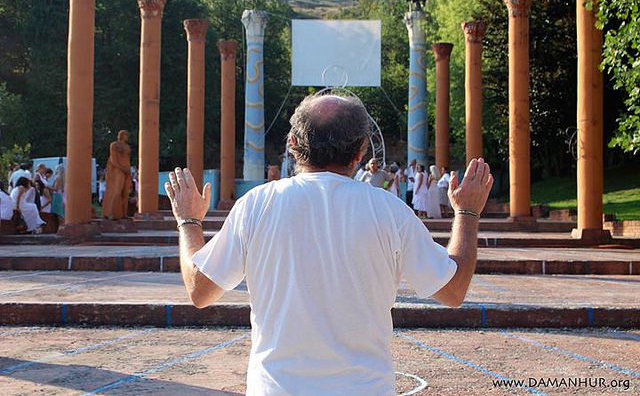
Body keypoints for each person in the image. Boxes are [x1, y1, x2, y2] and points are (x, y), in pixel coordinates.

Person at [165, 93, 493, 394]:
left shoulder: (257, 204)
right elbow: (452, 291)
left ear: (293, 143)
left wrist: (189, 221)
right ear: (362, 149)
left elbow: (200, 290)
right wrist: (466, 212)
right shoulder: (389, 210)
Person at [102, 130, 132, 219]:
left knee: (125, 193)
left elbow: (127, 159)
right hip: (117, 170)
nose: (127, 136)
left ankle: (123, 213)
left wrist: (128, 170)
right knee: (116, 191)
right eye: (125, 135)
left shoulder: (127, 147)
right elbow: (113, 159)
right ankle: (111, 212)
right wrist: (122, 168)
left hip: (126, 170)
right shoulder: (114, 145)